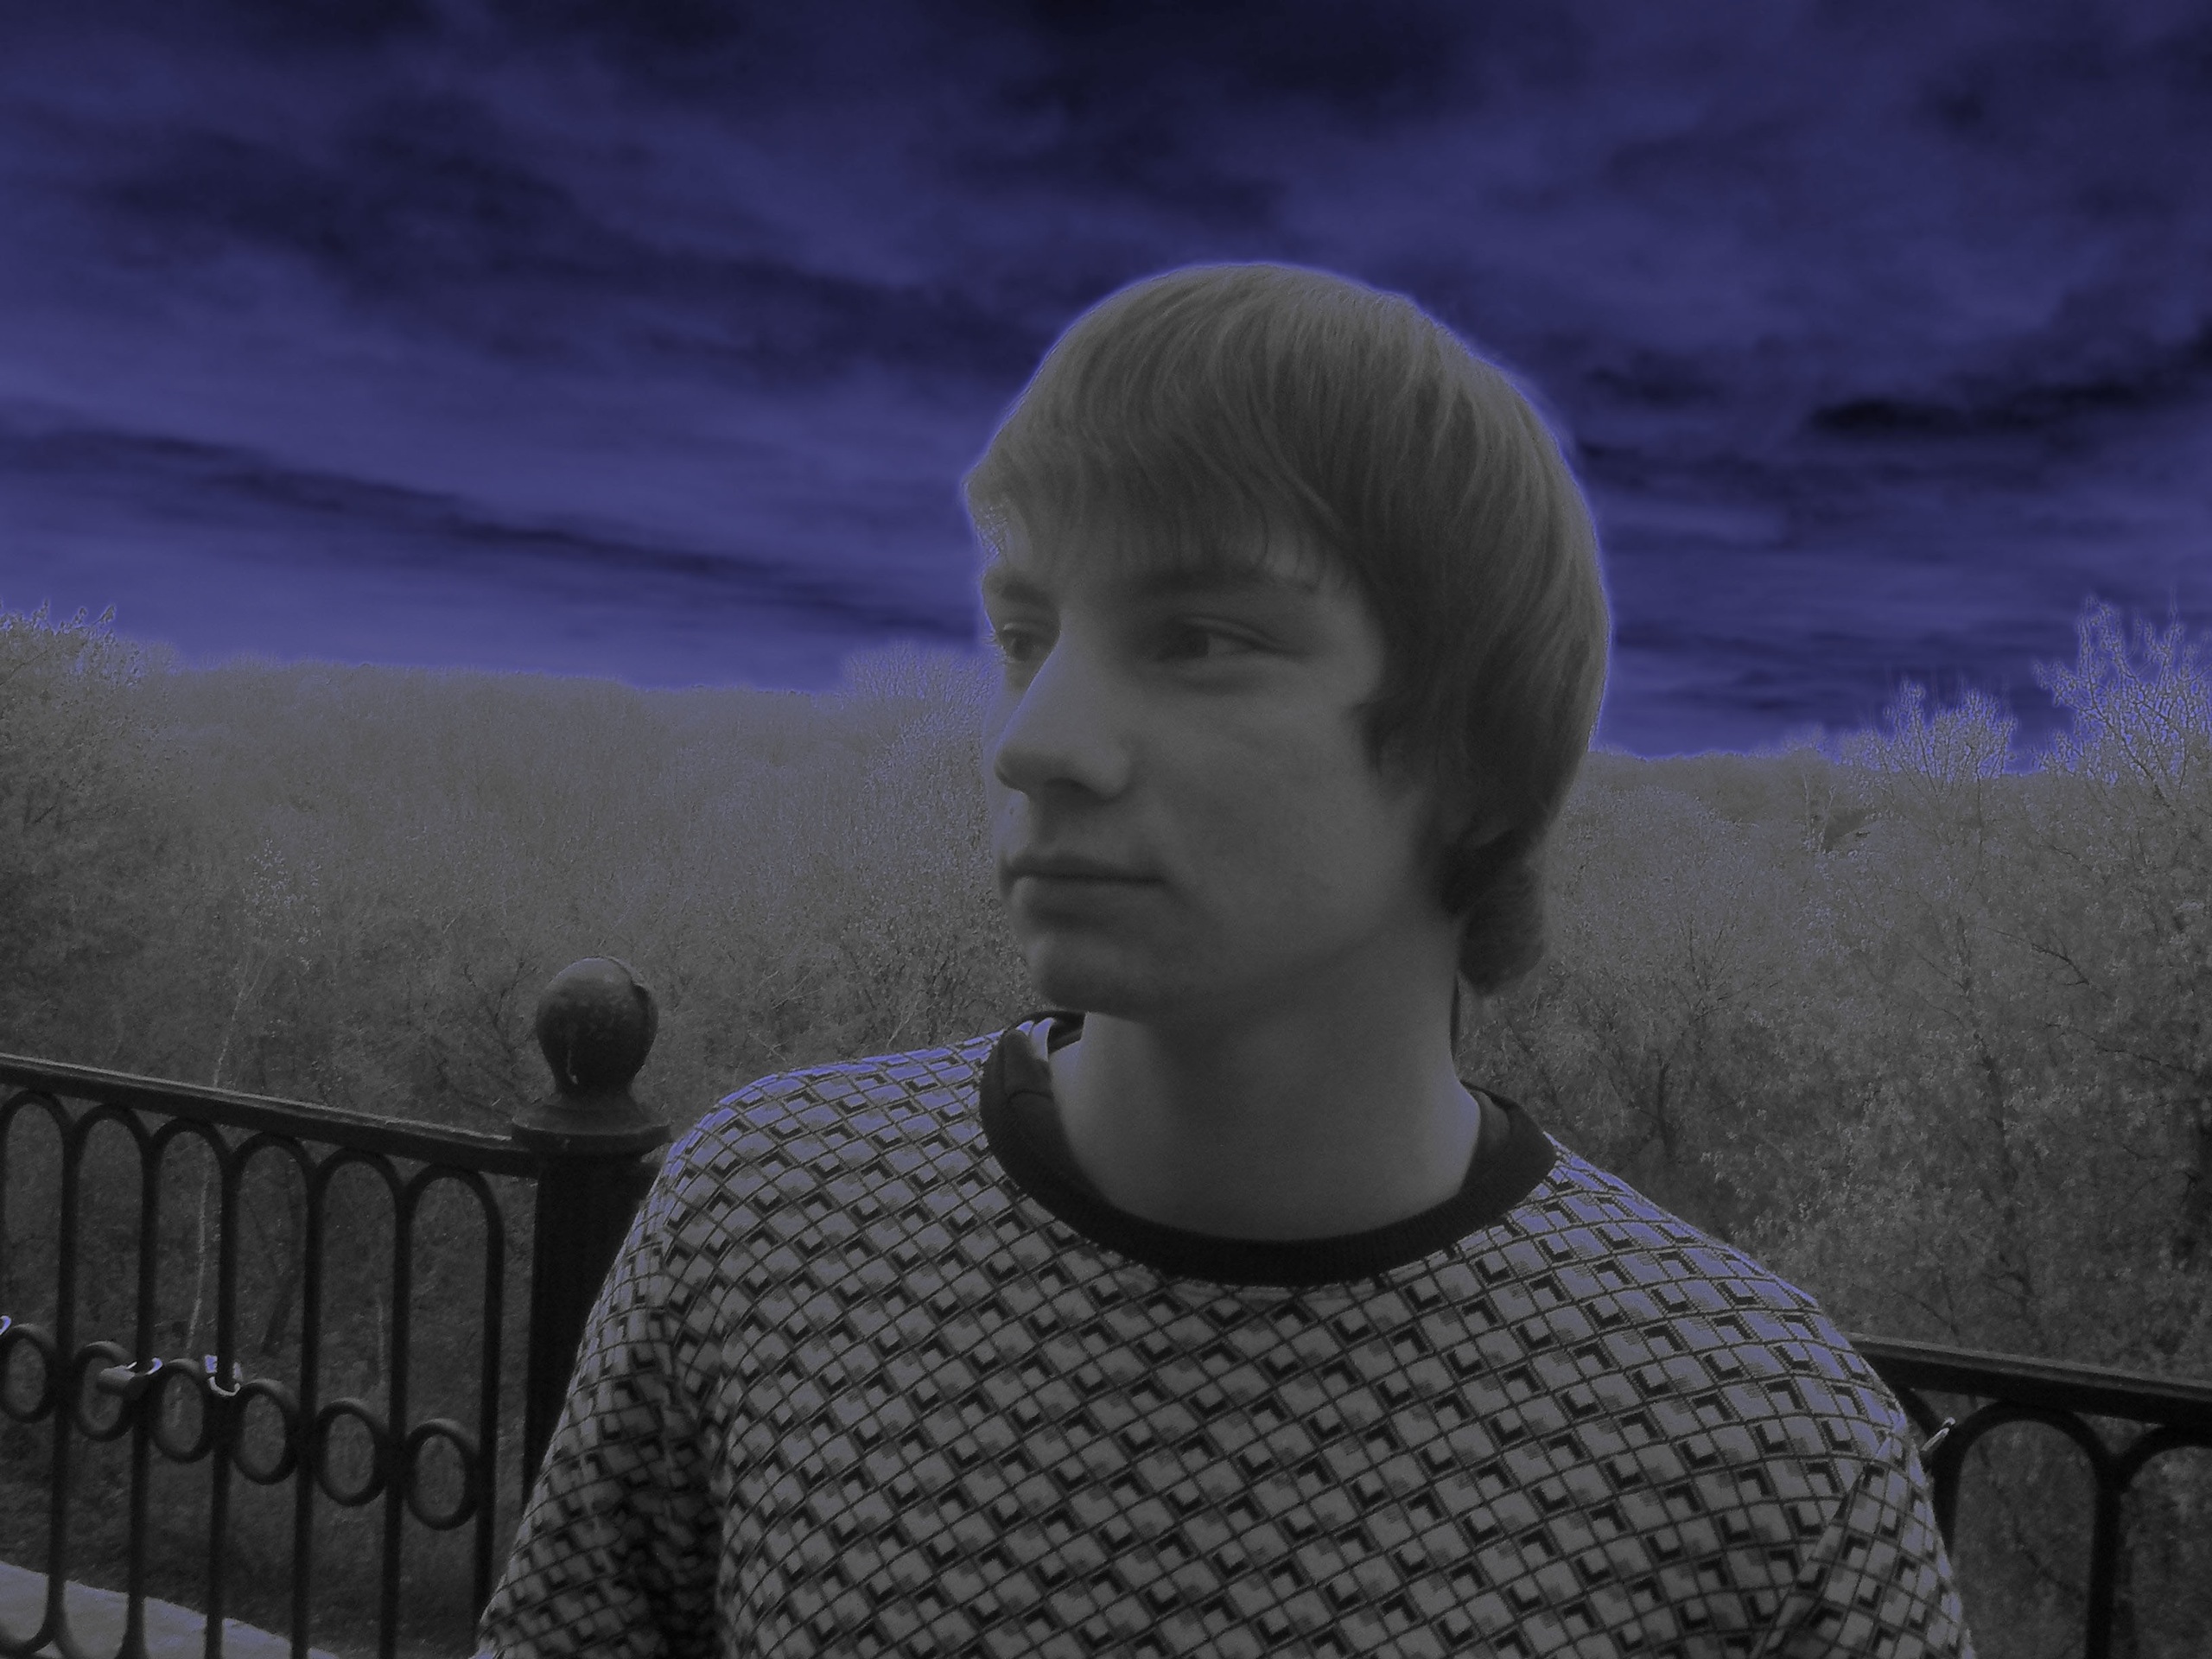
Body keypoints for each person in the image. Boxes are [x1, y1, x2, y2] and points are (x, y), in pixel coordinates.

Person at [476, 264, 1973, 1656]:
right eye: (1025, 633)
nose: (1034, 741)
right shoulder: (771, 1222)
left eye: (1198, 637)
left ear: (1476, 754)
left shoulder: (1758, 1463)